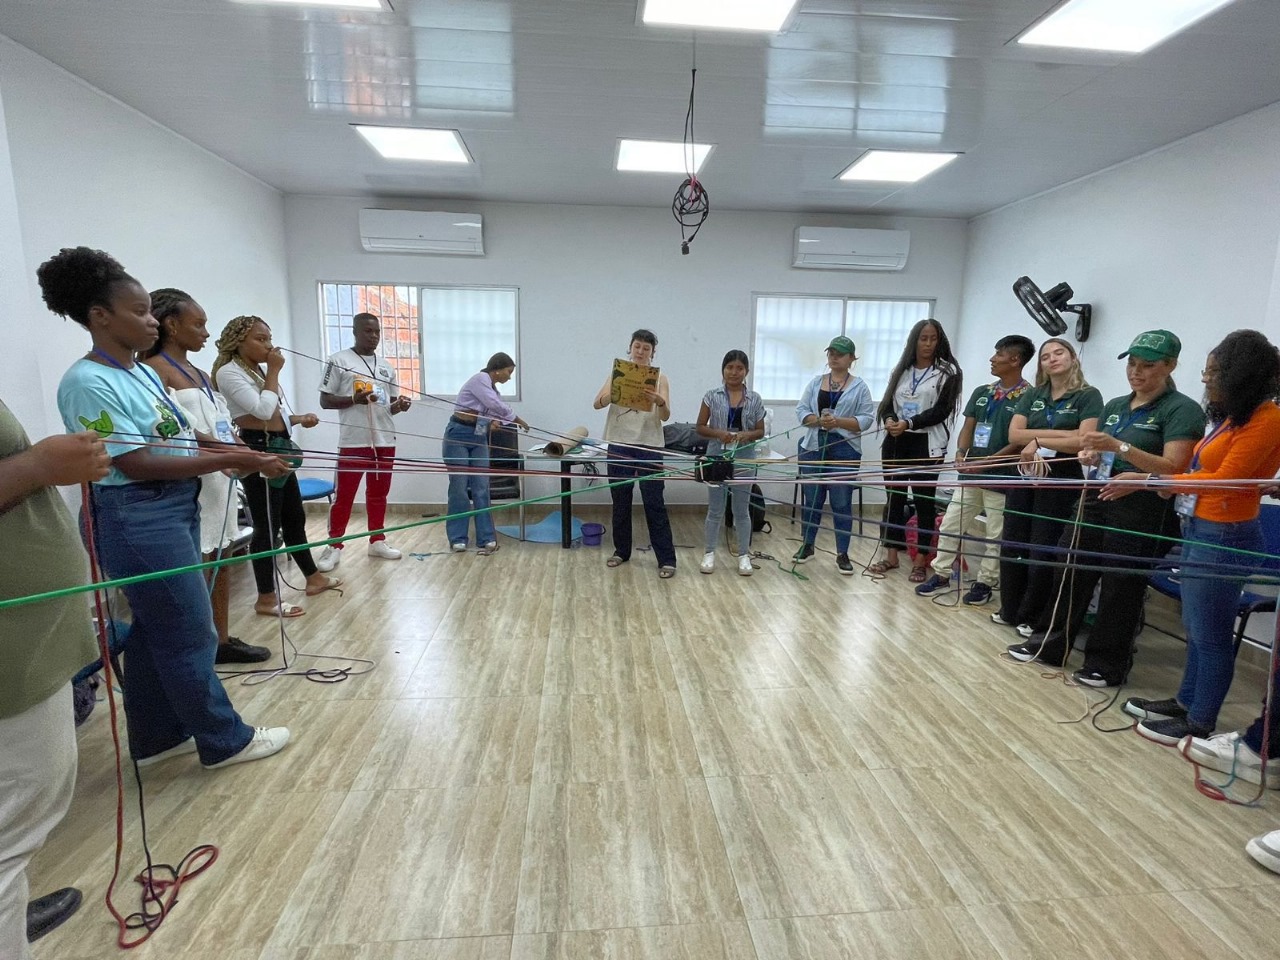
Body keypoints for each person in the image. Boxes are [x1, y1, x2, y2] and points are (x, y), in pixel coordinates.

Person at [40, 245, 291, 772]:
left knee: (158, 631)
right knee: (190, 631)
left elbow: (178, 434)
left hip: (171, 507)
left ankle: (156, 739)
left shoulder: (141, 372)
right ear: (99, 317)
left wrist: (235, 453)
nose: (152, 320)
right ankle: (225, 740)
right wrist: (227, 459)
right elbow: (136, 462)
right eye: (140, 312)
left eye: (151, 311)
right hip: (136, 515)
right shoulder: (89, 382)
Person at [1004, 331, 1205, 680]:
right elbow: (1101, 456)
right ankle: (1049, 643)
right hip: (1097, 497)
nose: (1136, 372)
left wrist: (1120, 448)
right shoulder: (1114, 406)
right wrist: (1092, 456)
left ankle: (1106, 664)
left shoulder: (1182, 410)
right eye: (1132, 364)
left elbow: (1175, 467)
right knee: (1068, 568)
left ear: (1170, 366)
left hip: (1142, 508)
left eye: (1148, 366)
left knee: (1119, 585)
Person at [1116, 330, 1280, 744]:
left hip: (1226, 535)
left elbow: (1227, 480)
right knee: (1195, 625)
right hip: (1199, 526)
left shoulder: (1268, 419)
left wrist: (1156, 480)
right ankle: (1186, 701)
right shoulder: (1234, 417)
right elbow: (1201, 470)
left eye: (1214, 372)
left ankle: (1200, 720)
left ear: (1240, 375)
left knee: (1210, 633)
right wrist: (1173, 480)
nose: (1206, 380)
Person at [1, 400, 108, 959]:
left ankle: (12, 907)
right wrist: (36, 468)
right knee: (11, 831)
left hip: (28, 645)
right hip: (13, 657)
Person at [141, 288, 270, 665]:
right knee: (199, 559)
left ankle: (221, 639)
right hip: (190, 478)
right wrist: (228, 453)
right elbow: (173, 431)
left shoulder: (199, 372)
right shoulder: (153, 371)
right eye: (198, 324)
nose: (205, 333)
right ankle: (197, 643)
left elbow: (219, 423)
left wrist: (240, 451)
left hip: (221, 478)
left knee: (222, 553)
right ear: (171, 324)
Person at [213, 315, 341, 618]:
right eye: (260, 339)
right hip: (257, 450)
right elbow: (261, 409)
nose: (269, 345)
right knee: (267, 527)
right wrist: (274, 370)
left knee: (294, 517)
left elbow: (274, 414)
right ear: (238, 341)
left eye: (269, 338)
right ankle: (266, 598)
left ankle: (313, 578)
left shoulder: (256, 371)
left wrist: (297, 419)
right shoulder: (229, 373)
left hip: (279, 446)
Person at [991, 338, 1102, 634]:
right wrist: (1057, 435)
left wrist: (1038, 439)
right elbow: (1015, 434)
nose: (1052, 359)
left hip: (1061, 476)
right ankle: (1010, 608)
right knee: (1013, 541)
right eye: (1045, 356)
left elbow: (1084, 439)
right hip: (1027, 473)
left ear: (1072, 358)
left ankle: (1033, 615)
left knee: (1044, 546)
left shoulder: (1088, 395)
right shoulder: (1034, 394)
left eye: (1059, 353)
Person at [914, 335, 1034, 604]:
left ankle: (985, 582)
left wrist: (988, 462)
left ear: (1015, 359)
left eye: (998, 354)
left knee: (995, 534)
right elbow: (967, 428)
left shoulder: (1029, 397)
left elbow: (1021, 440)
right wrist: (960, 453)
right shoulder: (983, 392)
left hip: (1002, 478)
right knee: (950, 524)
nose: (992, 359)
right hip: (971, 474)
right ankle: (942, 573)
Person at [316, 311, 412, 570]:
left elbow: (388, 406)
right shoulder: (338, 360)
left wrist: (400, 406)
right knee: (345, 495)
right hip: (353, 441)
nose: (374, 336)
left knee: (379, 493)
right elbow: (325, 401)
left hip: (384, 440)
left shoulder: (386, 366)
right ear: (355, 332)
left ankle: (377, 540)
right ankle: (334, 545)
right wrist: (352, 400)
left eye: (377, 331)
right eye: (368, 331)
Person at [871, 319, 963, 582]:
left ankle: (921, 560)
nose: (928, 343)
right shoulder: (901, 370)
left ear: (940, 340)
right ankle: (890, 555)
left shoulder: (949, 372)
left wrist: (909, 423)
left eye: (933, 338)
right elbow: (888, 403)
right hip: (896, 441)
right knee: (894, 499)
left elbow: (941, 411)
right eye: (923, 338)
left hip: (925, 443)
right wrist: (889, 419)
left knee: (924, 502)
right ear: (914, 340)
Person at [593, 329, 677, 577]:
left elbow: (665, 415)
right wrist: (612, 394)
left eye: (646, 348)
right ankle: (621, 551)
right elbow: (596, 403)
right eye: (637, 346)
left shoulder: (660, 377)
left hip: (649, 445)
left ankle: (666, 559)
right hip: (619, 443)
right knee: (620, 500)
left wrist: (659, 401)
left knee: (654, 502)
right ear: (630, 348)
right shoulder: (617, 372)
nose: (641, 352)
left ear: (653, 353)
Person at [792, 336, 876, 574]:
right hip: (812, 446)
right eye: (831, 353)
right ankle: (807, 545)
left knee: (841, 501)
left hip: (844, 448)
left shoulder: (860, 387)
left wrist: (838, 422)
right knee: (812, 499)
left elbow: (866, 419)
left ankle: (842, 553)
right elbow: (801, 410)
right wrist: (816, 420)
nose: (834, 357)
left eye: (840, 353)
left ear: (852, 358)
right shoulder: (816, 382)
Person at [444, 352, 528, 554]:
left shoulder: (492, 389)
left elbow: (489, 414)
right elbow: (495, 405)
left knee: (481, 486)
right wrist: (518, 420)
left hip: (478, 437)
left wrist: (493, 424)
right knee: (459, 487)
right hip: (458, 435)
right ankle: (458, 538)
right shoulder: (480, 379)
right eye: (508, 372)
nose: (509, 377)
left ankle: (486, 537)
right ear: (497, 369)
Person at [696, 350, 766, 576]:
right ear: (723, 369)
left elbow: (760, 430)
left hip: (744, 456)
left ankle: (744, 555)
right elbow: (700, 427)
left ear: (746, 372)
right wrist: (719, 433)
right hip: (716, 455)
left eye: (739, 368)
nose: (734, 372)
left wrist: (746, 435)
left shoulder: (754, 398)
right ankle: (709, 553)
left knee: (742, 510)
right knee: (715, 509)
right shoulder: (711, 395)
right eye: (730, 367)